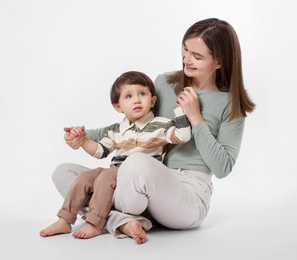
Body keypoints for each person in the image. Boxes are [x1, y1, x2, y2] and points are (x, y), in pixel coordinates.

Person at [50, 18, 256, 245]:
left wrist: (196, 118)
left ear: (218, 62)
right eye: (185, 50)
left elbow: (223, 167)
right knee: (64, 172)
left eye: (197, 56)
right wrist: (85, 137)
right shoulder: (166, 83)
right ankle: (124, 222)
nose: (187, 59)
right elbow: (133, 127)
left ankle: (109, 217)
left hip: (188, 193)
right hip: (142, 182)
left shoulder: (231, 103)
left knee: (136, 162)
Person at [40, 71, 191, 240]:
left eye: (142, 94)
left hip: (135, 174)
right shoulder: (117, 129)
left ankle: (95, 223)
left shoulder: (159, 124)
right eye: (128, 96)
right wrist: (83, 140)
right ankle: (65, 219)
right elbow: (99, 151)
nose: (136, 100)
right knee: (85, 177)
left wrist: (181, 112)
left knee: (105, 178)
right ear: (118, 106)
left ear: (152, 101)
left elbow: (183, 136)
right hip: (114, 169)